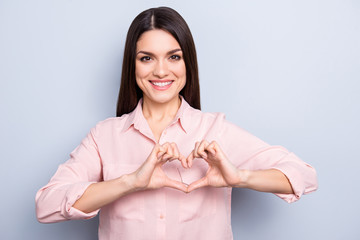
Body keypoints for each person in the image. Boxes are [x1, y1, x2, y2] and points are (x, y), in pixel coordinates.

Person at [35, 6, 318, 240]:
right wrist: (130, 182)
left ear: (187, 63)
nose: (161, 70)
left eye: (174, 57)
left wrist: (240, 177)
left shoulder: (214, 131)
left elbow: (304, 176)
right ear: (132, 66)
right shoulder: (104, 136)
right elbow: (46, 205)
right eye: (147, 58)